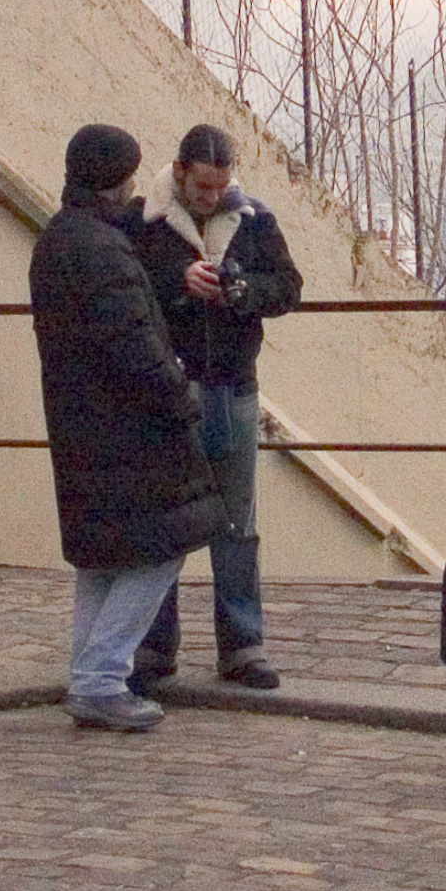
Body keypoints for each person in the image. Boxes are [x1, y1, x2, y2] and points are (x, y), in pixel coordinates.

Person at [31, 123, 227, 732]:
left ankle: (89, 670)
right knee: (158, 550)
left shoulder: (59, 239)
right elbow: (133, 346)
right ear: (119, 179)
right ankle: (100, 677)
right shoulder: (102, 249)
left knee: (103, 557)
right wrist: (179, 398)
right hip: (128, 429)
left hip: (80, 423)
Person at [131, 124, 304, 693]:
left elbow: (286, 288)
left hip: (231, 385)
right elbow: (128, 289)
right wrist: (177, 281)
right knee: (169, 521)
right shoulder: (143, 223)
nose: (211, 198)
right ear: (179, 173)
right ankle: (156, 645)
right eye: (203, 188)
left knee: (236, 523)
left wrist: (240, 290)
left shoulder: (254, 218)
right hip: (173, 389)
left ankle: (242, 645)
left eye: (219, 187)